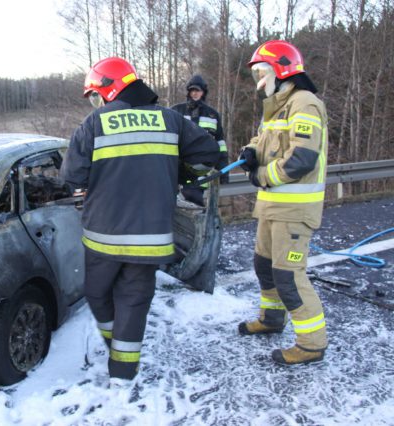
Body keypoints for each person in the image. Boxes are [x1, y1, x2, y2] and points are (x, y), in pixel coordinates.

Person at [60, 57, 220, 384]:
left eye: (95, 95)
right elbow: (208, 158)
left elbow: (72, 176)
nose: (96, 102)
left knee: (98, 293)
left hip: (102, 237)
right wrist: (179, 173)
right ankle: (123, 371)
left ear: (109, 88)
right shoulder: (171, 119)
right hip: (151, 238)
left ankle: (111, 343)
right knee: (134, 301)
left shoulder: (95, 123)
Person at [238, 40, 329, 365]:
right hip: (271, 208)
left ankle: (311, 343)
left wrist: (261, 175)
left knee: (289, 276)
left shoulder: (304, 104)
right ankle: (272, 319)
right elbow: (264, 141)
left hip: (294, 211)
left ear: (281, 70)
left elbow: (301, 159)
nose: (259, 80)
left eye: (262, 72)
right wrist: (250, 151)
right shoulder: (277, 106)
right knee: (264, 267)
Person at [171, 75, 229, 206]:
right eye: (192, 90)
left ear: (203, 92)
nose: (195, 93)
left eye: (198, 90)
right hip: (177, 168)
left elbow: (220, 142)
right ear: (188, 92)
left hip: (201, 171)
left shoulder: (213, 115)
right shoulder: (176, 111)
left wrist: (223, 168)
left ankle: (196, 225)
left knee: (194, 204)